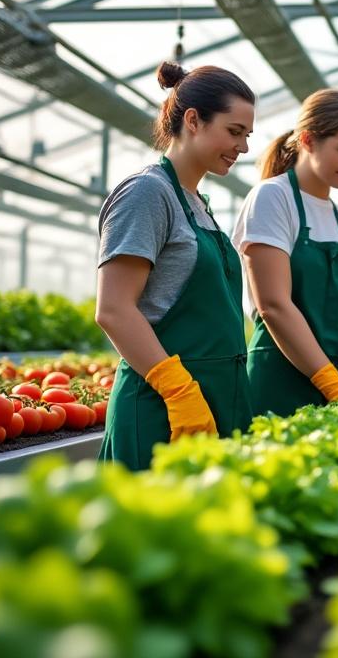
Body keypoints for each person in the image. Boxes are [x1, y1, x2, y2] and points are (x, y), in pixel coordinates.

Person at [95, 61, 256, 469]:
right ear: (193, 120)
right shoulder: (148, 193)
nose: (244, 147)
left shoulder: (197, 203)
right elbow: (113, 309)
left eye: (247, 135)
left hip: (215, 400)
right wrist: (178, 390)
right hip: (161, 407)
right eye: (235, 132)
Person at [231, 90, 338, 415]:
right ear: (309, 140)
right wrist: (329, 381)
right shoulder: (272, 198)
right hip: (281, 381)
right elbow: (273, 305)